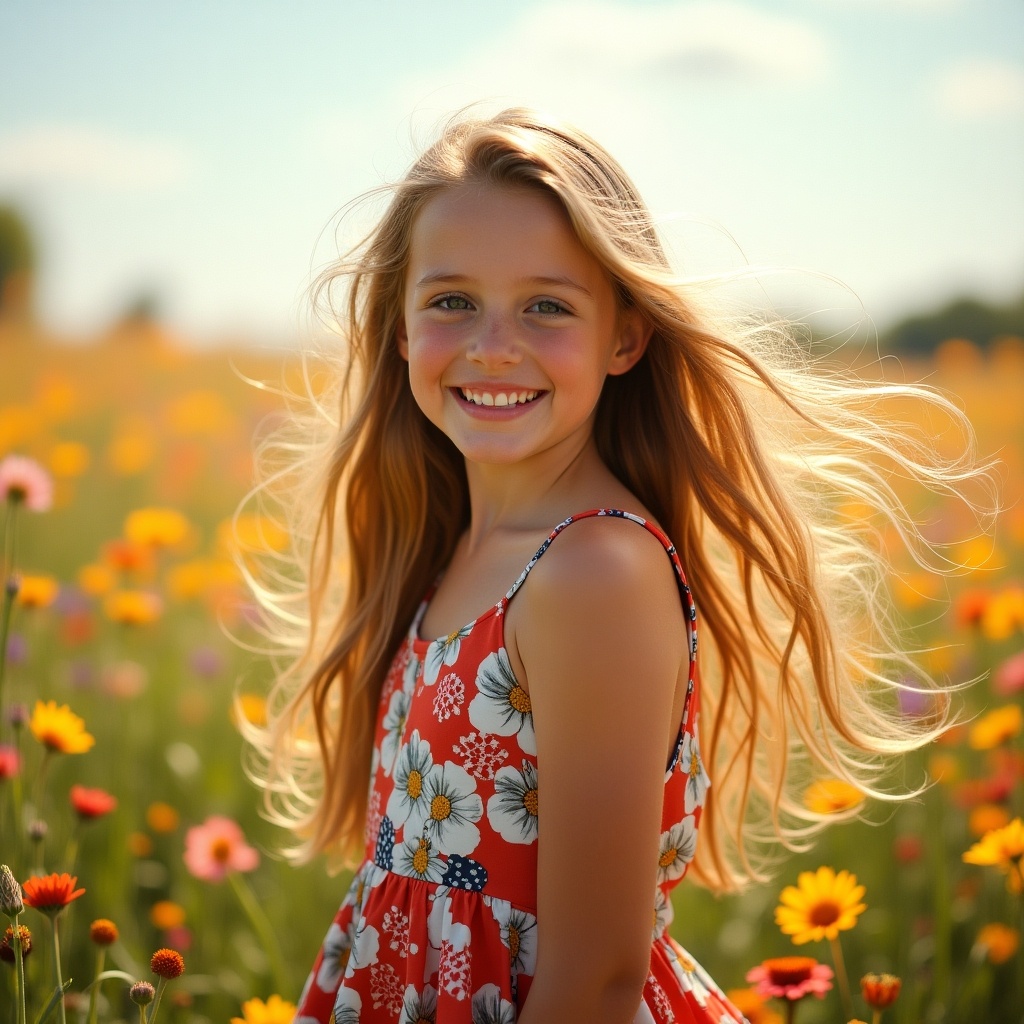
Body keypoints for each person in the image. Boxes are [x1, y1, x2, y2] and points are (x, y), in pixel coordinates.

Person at [243, 108, 989, 1023]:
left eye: (547, 306)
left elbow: (595, 977)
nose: (492, 344)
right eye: (451, 301)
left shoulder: (592, 572)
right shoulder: (457, 550)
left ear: (625, 339)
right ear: (400, 330)